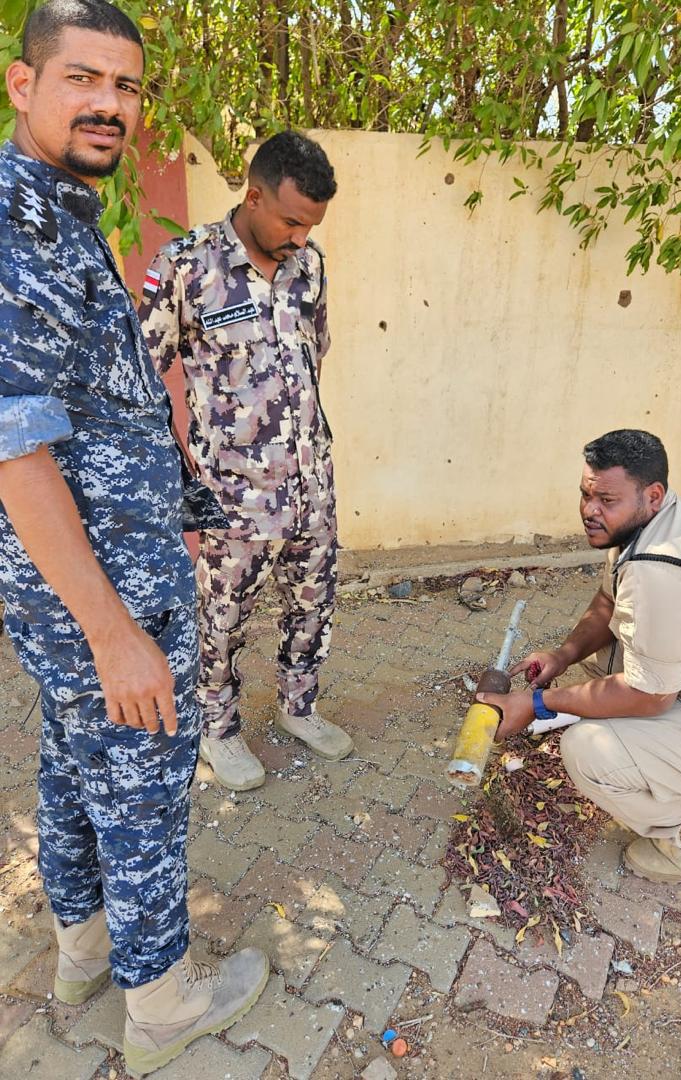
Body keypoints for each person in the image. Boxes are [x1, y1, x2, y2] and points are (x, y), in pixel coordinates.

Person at [0, 3, 267, 1073]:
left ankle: (82, 957)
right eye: (83, 78)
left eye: (127, 86)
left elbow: (99, 404)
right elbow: (14, 451)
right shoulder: (14, 224)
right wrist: (115, 633)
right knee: (147, 791)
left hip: (86, 583)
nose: (111, 103)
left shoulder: (58, 213)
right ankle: (160, 1010)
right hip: (98, 598)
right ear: (23, 86)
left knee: (73, 772)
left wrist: (183, 505)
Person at [477, 430, 681, 884]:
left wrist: (537, 705)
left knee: (590, 752)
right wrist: (563, 655)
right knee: (605, 662)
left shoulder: (663, 566)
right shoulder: (651, 523)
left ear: (651, 494)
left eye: (605, 500)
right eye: (585, 494)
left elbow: (649, 696)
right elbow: (609, 600)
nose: (589, 511)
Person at [139, 131, 353, 791]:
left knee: (313, 602)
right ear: (253, 194)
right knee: (223, 618)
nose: (299, 235)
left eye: (311, 224)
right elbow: (143, 376)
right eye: (290, 219)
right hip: (232, 496)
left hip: (310, 482)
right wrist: (184, 470)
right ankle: (218, 729)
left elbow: (312, 356)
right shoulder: (186, 266)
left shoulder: (309, 265)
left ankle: (297, 706)